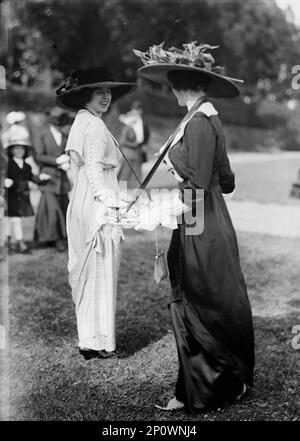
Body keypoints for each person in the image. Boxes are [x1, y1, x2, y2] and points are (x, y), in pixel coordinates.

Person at [135, 42, 255, 412]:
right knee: (210, 292)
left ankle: (203, 389)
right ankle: (216, 381)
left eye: (172, 84)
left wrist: (168, 208)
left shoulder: (200, 122)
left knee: (199, 295)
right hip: (208, 217)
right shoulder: (203, 117)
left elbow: (200, 184)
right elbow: (226, 178)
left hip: (199, 220)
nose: (170, 91)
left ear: (181, 85)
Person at [56, 66, 135, 360]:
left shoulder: (83, 121)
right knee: (100, 267)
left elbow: (81, 170)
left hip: (83, 198)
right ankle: (98, 341)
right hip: (95, 199)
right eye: (99, 92)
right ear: (86, 95)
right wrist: (107, 202)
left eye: (108, 92)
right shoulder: (94, 125)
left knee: (88, 266)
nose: (106, 97)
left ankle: (90, 338)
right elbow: (91, 167)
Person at [34, 107, 72, 252]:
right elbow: (39, 156)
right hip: (48, 177)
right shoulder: (42, 135)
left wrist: (67, 161)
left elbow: (68, 152)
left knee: (63, 208)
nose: (59, 125)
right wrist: (57, 161)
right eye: (57, 123)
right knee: (52, 209)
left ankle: (62, 237)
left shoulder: (64, 136)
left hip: (62, 177)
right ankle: (55, 239)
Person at [3, 136, 50, 253]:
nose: (19, 151)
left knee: (15, 219)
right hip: (10, 195)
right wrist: (4, 182)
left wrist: (41, 178)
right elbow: (2, 176)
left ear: (25, 151)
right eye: (16, 149)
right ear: (12, 151)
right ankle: (16, 242)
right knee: (11, 219)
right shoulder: (7, 164)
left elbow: (33, 178)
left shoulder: (27, 166)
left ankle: (12, 243)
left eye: (22, 149)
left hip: (22, 196)